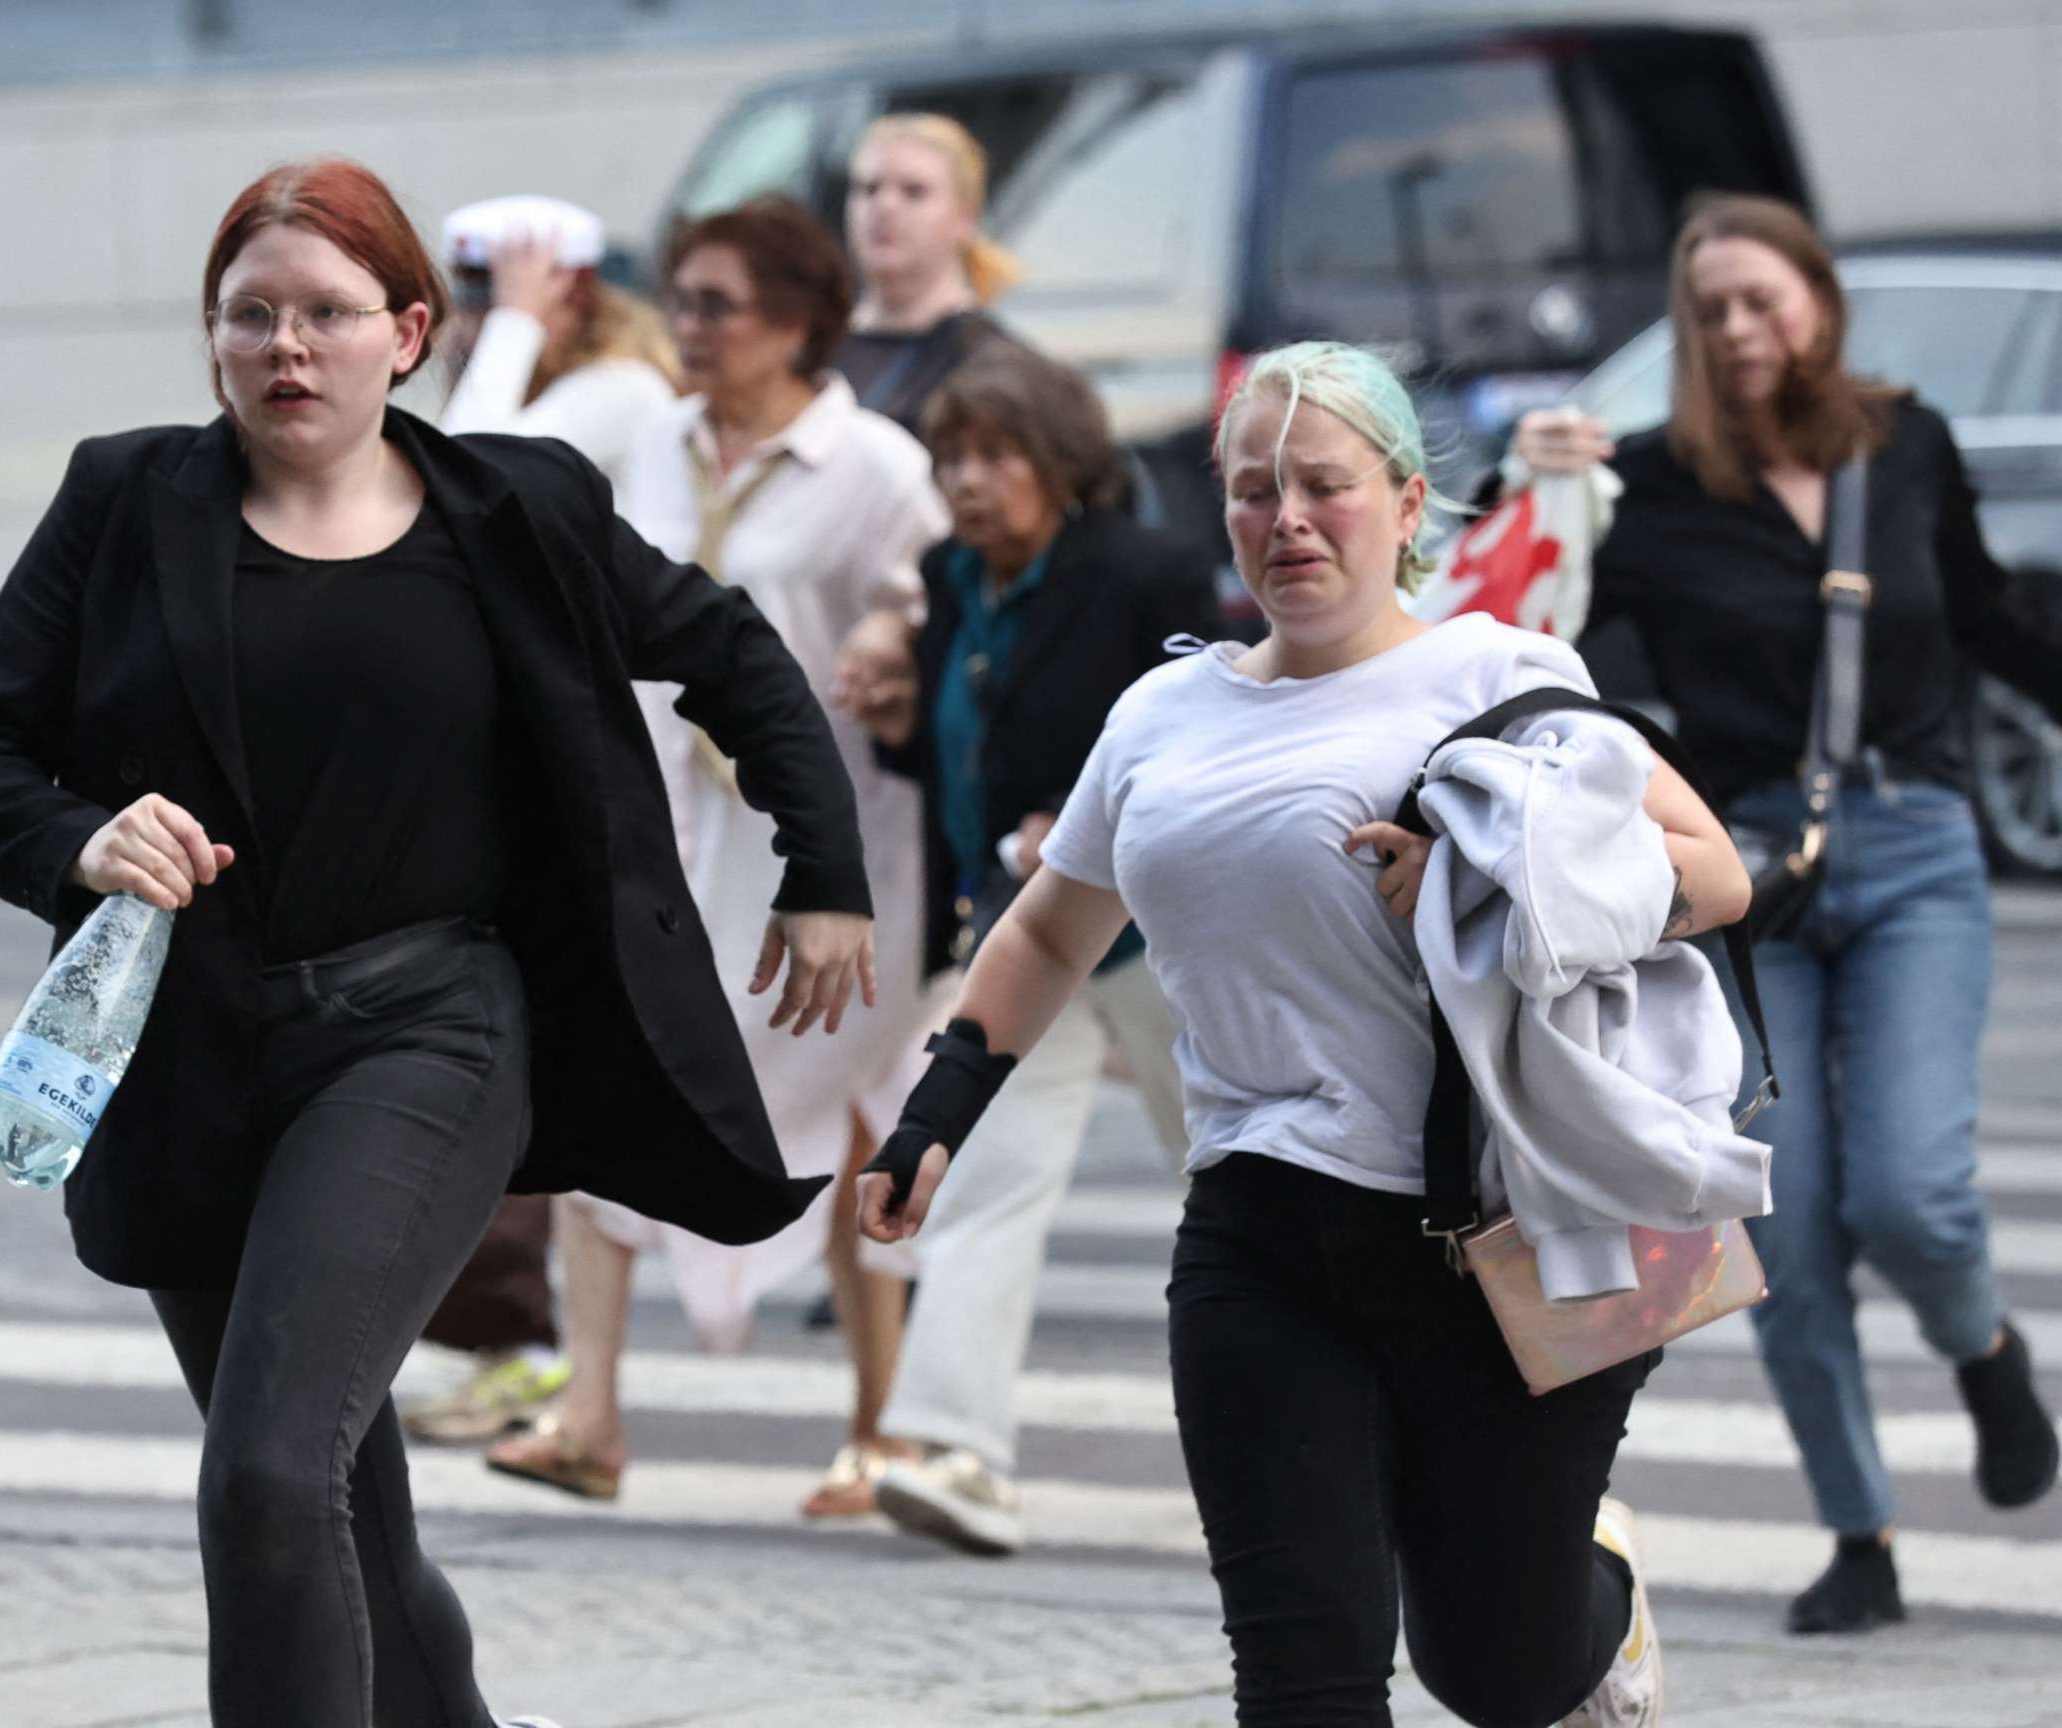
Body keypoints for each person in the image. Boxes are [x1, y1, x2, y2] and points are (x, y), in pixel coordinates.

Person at [0, 157, 882, 1728]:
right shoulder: (121, 500)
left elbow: (733, 655)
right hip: (189, 1052)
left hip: (426, 1033)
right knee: (341, 1508)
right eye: (251, 316)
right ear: (213, 339)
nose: (287, 347)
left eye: (327, 314)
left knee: (268, 1471)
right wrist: (77, 841)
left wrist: (821, 868)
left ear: (408, 330)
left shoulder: (519, 512)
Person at [861, 340, 1757, 1727]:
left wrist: (1481, 880)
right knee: (1305, 1679)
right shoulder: (1166, 713)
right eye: (1251, 490)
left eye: (1324, 486)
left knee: (1501, 1671)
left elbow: (1712, 876)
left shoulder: (1498, 672)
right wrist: (940, 1110)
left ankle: (1600, 1600)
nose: (1286, 520)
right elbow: (1050, 926)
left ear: (1405, 505)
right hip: (1261, 1244)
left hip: (1505, 1234)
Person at [1509, 193, 2062, 1635]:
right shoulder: (1648, 488)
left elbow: (1991, 615)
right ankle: (1859, 1533)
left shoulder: (1907, 444)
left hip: (1920, 848)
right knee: (1788, 1224)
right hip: (1749, 881)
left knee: (1911, 1191)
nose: (1741, 332)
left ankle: (1982, 1344)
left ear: (1815, 300)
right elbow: (1545, 645)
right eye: (1711, 312)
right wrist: (1541, 495)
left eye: (1763, 300)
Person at [485, 196, 947, 1518]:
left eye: (717, 305)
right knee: (599, 1085)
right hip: (661, 830)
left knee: (857, 1111)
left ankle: (882, 1426)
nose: (687, 327)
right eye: (678, 298)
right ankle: (591, 1413)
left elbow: (934, 611)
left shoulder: (875, 466)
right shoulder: (653, 442)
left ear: (798, 322)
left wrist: (890, 649)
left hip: (828, 847)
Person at [831, 347, 1214, 1553]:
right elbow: (959, 746)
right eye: (954, 460)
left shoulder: (1142, 573)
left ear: (1061, 462)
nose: (971, 483)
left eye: (999, 456)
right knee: (986, 1180)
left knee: (1240, 1172)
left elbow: (1201, 727)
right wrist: (900, 724)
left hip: (1156, 934)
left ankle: (1343, 1424)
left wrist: (1084, 818)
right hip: (1017, 933)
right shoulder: (954, 578)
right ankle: (954, 1450)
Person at [408, 193, 683, 1448]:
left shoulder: (620, 391)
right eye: (466, 297)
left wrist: (508, 328)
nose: (467, 323)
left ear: (565, 293)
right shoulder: (543, 389)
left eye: (493, 293)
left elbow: (470, 477)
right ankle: (511, 1341)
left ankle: (537, 1352)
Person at [436, 193, 680, 474]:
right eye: (466, 299)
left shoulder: (627, 386)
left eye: (494, 300)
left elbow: (466, 473)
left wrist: (516, 320)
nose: (472, 324)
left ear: (575, 296)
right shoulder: (531, 382)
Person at [832, 112, 1026, 433]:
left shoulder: (991, 363)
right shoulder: (809, 346)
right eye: (868, 188)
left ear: (965, 217)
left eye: (914, 192)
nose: (885, 206)